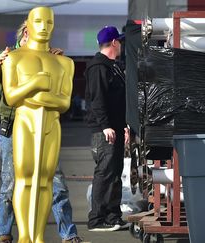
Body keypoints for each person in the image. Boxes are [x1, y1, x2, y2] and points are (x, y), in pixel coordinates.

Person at [0, 20, 87, 243]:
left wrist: (58, 64)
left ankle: (68, 234)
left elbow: (61, 94)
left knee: (55, 181)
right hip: (11, 127)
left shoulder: (50, 57)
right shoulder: (10, 56)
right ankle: (4, 232)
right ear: (28, 31)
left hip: (42, 126)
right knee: (11, 182)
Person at [84, 26, 130, 232]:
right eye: (119, 41)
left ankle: (113, 216)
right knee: (104, 172)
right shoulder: (98, 67)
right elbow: (97, 99)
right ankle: (97, 219)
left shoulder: (113, 66)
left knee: (114, 173)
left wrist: (124, 126)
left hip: (115, 127)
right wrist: (106, 126)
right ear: (113, 42)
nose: (121, 45)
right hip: (105, 130)